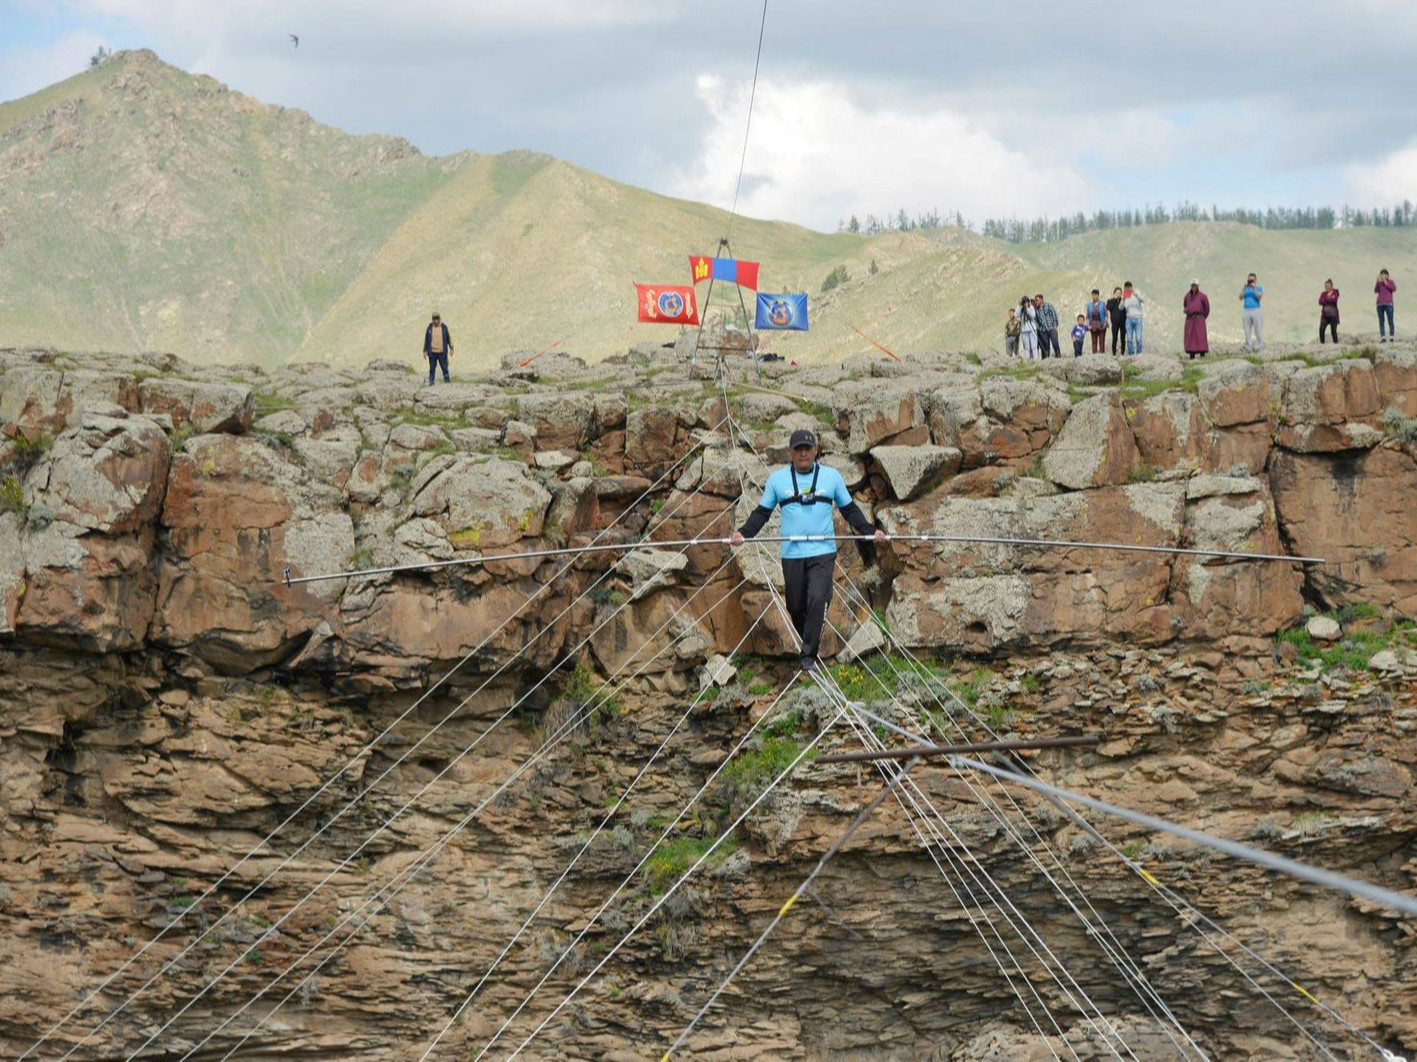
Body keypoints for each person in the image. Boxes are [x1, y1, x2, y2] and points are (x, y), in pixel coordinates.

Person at [730, 429, 888, 671]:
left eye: (807, 448)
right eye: (798, 449)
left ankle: (808, 656)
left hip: (822, 552)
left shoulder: (831, 477)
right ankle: (811, 634)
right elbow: (762, 513)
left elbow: (850, 510)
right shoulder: (777, 480)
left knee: (816, 598)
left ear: (815, 451)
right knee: (795, 606)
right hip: (792, 554)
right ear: (790, 453)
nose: (803, 453)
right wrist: (744, 533)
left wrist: (870, 531)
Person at [1183, 280, 1210, 360]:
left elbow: (1207, 308)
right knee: (1190, 337)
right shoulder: (1187, 296)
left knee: (1200, 337)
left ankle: (1202, 354)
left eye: (1195, 285)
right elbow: (1185, 305)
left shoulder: (1203, 296)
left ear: (1198, 286)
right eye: (1192, 285)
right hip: (1190, 319)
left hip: (1199, 319)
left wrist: (1202, 317)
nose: (1194, 287)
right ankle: (1192, 355)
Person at [424, 311, 453, 385]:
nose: (436, 320)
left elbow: (449, 338)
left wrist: (451, 348)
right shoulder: (429, 328)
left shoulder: (444, 328)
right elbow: (426, 340)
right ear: (432, 319)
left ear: (440, 319)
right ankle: (431, 382)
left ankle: (447, 381)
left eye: (437, 318)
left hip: (442, 352)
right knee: (432, 368)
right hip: (432, 352)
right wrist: (425, 351)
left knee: (444, 367)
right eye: (434, 318)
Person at [1240, 274, 1264, 352]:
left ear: (1255, 280)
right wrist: (1244, 288)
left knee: (1258, 328)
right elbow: (1240, 297)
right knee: (1247, 329)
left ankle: (1259, 344)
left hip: (1256, 310)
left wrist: (1254, 288)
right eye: (1249, 280)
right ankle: (1248, 346)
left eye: (1252, 280)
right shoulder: (1246, 289)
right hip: (1246, 310)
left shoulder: (1259, 288)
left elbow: (1259, 297)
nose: (1250, 282)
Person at [1034, 294, 1061, 358]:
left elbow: (1054, 314)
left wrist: (1055, 325)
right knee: (1046, 345)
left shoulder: (1048, 305)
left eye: (1037, 300)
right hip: (1043, 330)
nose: (1036, 302)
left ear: (1041, 300)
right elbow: (1036, 320)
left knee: (1055, 342)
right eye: (1035, 300)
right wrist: (1039, 328)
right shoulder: (1036, 310)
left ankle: (1058, 355)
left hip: (1051, 328)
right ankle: (1047, 358)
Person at [1121, 282, 1144, 355]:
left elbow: (1143, 300)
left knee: (1138, 337)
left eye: (1129, 288)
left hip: (1138, 318)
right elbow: (1120, 307)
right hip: (1129, 319)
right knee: (1129, 338)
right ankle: (1131, 353)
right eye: (1126, 288)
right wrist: (1123, 299)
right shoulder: (1125, 297)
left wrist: (1135, 293)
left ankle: (1139, 353)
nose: (1128, 290)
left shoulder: (1136, 295)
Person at [1375, 270, 1397, 342]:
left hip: (1388, 304)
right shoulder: (1379, 283)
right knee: (1381, 321)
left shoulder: (1391, 282)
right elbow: (1376, 290)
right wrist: (1377, 281)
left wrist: (1385, 282)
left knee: (1390, 320)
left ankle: (1391, 336)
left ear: (1387, 275)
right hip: (1380, 304)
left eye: (1384, 274)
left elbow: (1393, 289)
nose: (1383, 276)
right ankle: (1383, 337)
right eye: (1381, 274)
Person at [1084, 289, 1107, 353]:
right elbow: (1088, 316)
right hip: (1093, 324)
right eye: (1093, 295)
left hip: (1101, 324)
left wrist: (1105, 322)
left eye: (1095, 295)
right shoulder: (1089, 305)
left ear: (1098, 295)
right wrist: (1088, 325)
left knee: (1101, 341)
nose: (1094, 297)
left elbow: (1106, 315)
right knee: (1094, 341)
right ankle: (1094, 354)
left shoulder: (1102, 304)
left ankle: (1102, 354)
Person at [1319, 279, 1340, 344]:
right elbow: (1320, 302)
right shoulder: (1323, 293)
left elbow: (1334, 300)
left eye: (1328, 286)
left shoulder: (1335, 292)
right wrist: (1329, 298)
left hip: (1333, 316)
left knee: (1333, 332)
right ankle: (1322, 344)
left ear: (1331, 286)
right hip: (1325, 316)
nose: (1326, 288)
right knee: (1321, 330)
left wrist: (1325, 300)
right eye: (1325, 286)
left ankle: (1336, 344)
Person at [1106, 286, 1126, 356]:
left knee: (1123, 338)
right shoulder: (1110, 301)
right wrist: (1108, 321)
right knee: (1114, 338)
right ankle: (1114, 353)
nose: (1118, 294)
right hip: (1114, 323)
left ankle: (1122, 353)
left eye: (1120, 293)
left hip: (1123, 322)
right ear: (1114, 293)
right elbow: (1108, 311)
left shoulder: (1124, 301)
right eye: (1117, 293)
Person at [1018, 296, 1040, 360]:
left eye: (1027, 302)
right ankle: (1027, 359)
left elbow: (1033, 315)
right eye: (1024, 302)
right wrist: (1019, 306)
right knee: (1026, 346)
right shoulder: (1021, 309)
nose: (1025, 303)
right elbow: (1016, 314)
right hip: (1024, 329)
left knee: (1034, 345)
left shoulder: (1031, 308)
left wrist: (1027, 308)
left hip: (1032, 328)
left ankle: (1036, 358)